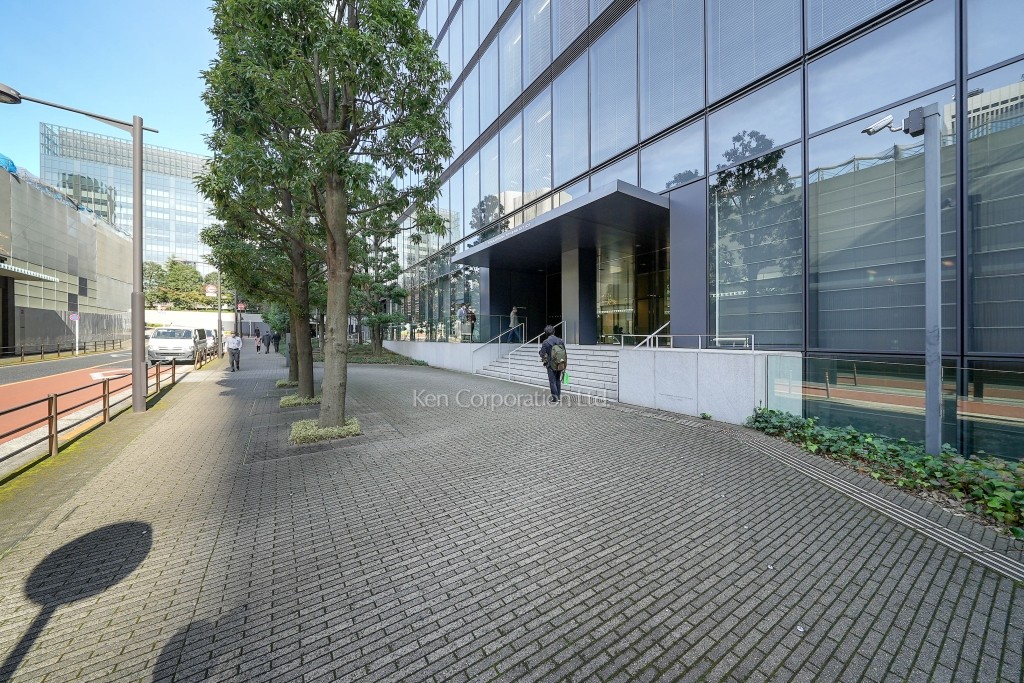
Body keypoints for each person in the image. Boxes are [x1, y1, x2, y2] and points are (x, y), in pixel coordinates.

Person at [539, 325, 567, 403]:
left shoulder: (546, 342)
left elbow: (542, 354)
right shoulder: (560, 340)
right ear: (554, 331)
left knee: (552, 381)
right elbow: (564, 352)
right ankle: (558, 397)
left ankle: (555, 399)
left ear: (546, 333)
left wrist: (541, 353)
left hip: (551, 364)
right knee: (557, 379)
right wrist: (565, 364)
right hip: (560, 363)